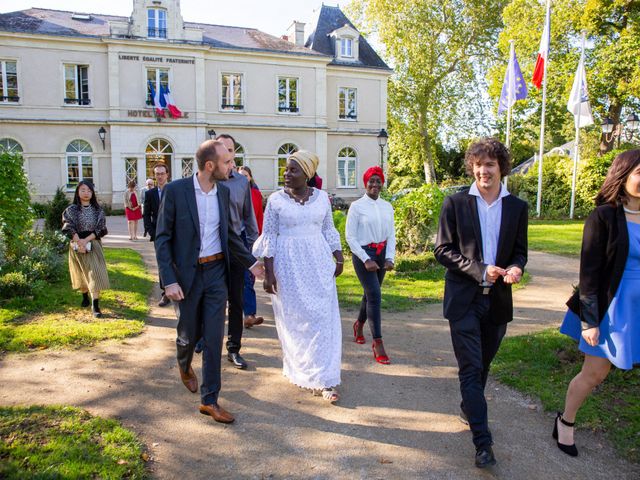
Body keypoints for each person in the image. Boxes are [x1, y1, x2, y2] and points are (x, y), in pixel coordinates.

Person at [434, 138, 528, 468]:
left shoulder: (517, 207)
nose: (483, 170)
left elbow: (520, 251)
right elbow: (442, 250)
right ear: (471, 167)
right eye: (478, 164)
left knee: (483, 365)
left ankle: (469, 406)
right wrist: (480, 270)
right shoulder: (455, 203)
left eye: (489, 164)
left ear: (501, 167)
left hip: (498, 302)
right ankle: (483, 443)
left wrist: (516, 267)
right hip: (463, 299)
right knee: (471, 369)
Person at [154, 139, 263, 424]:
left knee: (214, 338)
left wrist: (253, 263)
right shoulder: (177, 191)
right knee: (188, 334)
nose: (233, 166)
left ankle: (210, 400)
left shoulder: (223, 194)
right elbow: (163, 239)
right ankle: (184, 364)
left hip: (216, 273)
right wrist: (169, 280)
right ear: (210, 165)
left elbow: (229, 236)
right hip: (187, 276)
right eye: (228, 162)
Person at [555, 149, 640, 457]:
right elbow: (589, 272)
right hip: (611, 310)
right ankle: (566, 421)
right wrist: (589, 321)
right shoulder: (603, 216)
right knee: (595, 374)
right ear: (623, 175)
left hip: (638, 310)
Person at [253, 150, 344, 403]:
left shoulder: (322, 199)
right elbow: (269, 236)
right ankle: (302, 370)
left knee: (323, 319)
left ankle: (326, 379)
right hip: (288, 266)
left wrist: (339, 256)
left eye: (293, 170)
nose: (286, 173)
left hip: (318, 264)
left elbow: (328, 229)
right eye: (285, 169)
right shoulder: (275, 200)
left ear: (308, 174)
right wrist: (269, 274)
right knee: (295, 321)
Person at [216, 134, 260, 369]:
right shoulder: (205, 180)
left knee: (236, 299)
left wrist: (252, 252)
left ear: (233, 154)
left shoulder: (241, 182)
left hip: (235, 248)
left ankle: (234, 348)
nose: (226, 152)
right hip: (210, 249)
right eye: (221, 148)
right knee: (211, 298)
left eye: (230, 149)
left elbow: (248, 218)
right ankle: (205, 339)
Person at [346, 165, 395, 364]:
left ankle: (359, 324)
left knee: (370, 294)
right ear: (365, 183)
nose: (375, 184)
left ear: (382, 183)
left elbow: (391, 234)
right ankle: (378, 342)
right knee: (375, 295)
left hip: (381, 253)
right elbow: (350, 236)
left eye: (378, 181)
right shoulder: (357, 206)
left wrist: (390, 257)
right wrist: (365, 259)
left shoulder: (387, 207)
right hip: (363, 254)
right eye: (371, 181)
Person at [61, 180, 110, 318]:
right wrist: (78, 241)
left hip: (93, 243)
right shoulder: (70, 210)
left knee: (95, 273)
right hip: (76, 244)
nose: (86, 193)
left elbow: (101, 228)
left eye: (89, 190)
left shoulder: (98, 210)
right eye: (83, 190)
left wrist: (86, 240)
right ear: (77, 192)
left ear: (92, 193)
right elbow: (67, 226)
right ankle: (84, 296)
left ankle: (95, 305)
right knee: (81, 272)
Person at [238, 165, 265, 328]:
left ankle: (249, 314)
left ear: (250, 177)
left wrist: (259, 240)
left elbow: (259, 219)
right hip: (234, 238)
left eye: (246, 175)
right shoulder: (231, 191)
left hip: (250, 240)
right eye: (240, 175)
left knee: (247, 276)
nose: (243, 178)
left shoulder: (255, 194)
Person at [143, 163, 171, 307]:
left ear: (167, 174)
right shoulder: (150, 194)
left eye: (162, 173)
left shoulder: (174, 190)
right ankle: (165, 292)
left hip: (175, 233)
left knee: (177, 261)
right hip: (158, 234)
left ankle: (177, 289)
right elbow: (146, 215)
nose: (159, 176)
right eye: (157, 174)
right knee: (162, 262)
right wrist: (151, 232)